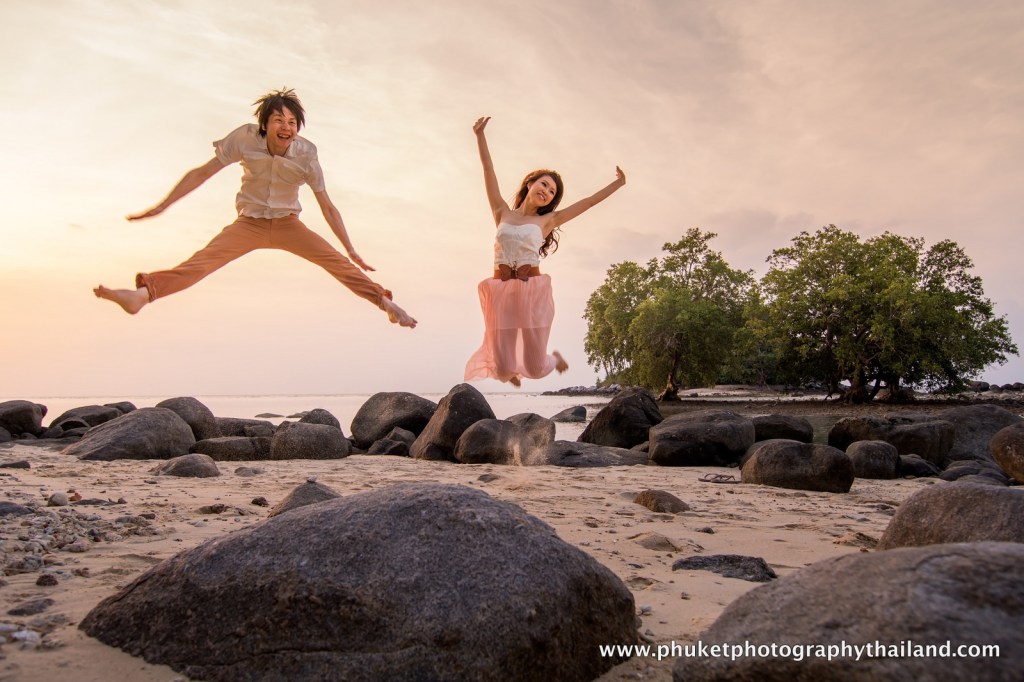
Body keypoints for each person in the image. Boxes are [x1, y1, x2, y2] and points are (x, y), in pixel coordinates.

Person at [94, 89, 416, 328]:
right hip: (248, 225)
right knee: (199, 265)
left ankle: (385, 302)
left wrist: (351, 248)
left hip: (289, 225)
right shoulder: (245, 140)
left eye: (292, 122)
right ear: (265, 124)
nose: (286, 127)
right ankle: (142, 296)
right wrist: (164, 204)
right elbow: (202, 173)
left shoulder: (306, 155)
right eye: (279, 120)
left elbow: (327, 206)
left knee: (337, 264)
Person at [464, 116, 625, 387]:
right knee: (502, 370)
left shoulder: (547, 221)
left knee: (536, 368)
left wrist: (618, 184)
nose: (547, 192)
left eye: (552, 192)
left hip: (532, 290)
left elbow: (588, 202)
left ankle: (554, 359)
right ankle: (511, 372)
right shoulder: (501, 211)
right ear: (530, 183)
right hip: (500, 290)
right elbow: (488, 170)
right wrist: (480, 135)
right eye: (544, 184)